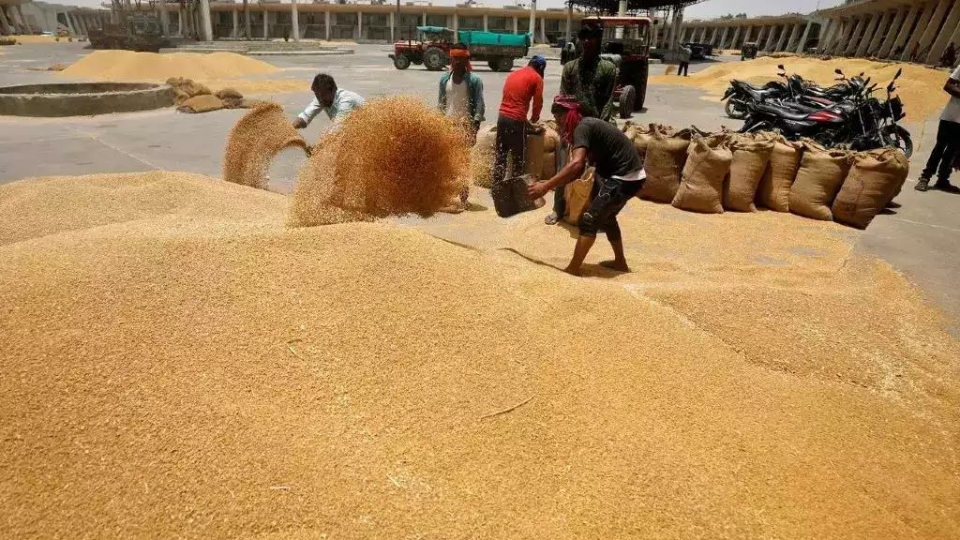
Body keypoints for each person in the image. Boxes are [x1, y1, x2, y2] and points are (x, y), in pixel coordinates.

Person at [527, 95, 645, 277]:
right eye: (556, 118)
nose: (559, 123)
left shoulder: (582, 127)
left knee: (589, 219)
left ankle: (573, 269)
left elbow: (576, 164)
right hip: (622, 174)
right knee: (607, 217)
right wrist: (549, 184)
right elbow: (576, 170)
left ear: (571, 113)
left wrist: (545, 186)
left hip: (625, 177)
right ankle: (620, 262)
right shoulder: (586, 125)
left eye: (560, 117)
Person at [546, 21, 617, 225]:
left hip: (596, 126)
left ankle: (594, 213)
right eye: (584, 37)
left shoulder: (608, 69)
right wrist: (565, 126)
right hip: (572, 126)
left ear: (598, 40)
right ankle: (558, 209)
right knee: (563, 166)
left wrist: (600, 133)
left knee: (599, 174)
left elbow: (607, 103)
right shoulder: (570, 68)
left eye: (592, 37)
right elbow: (563, 100)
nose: (587, 41)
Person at [492, 56, 546, 188]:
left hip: (502, 117)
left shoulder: (514, 73)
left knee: (501, 154)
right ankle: (515, 190)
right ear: (541, 68)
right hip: (516, 121)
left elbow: (511, 100)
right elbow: (538, 102)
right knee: (518, 157)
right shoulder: (536, 77)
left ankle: (496, 186)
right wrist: (534, 118)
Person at [916, 64, 960, 193]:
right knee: (939, 148)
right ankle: (925, 178)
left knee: (953, 151)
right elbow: (948, 85)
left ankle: (942, 180)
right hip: (950, 116)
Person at [437, 45, 485, 144]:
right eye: (455, 58)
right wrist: (438, 122)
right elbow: (441, 103)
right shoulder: (444, 79)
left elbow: (479, 103)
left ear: (466, 60)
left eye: (461, 58)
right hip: (448, 126)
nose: (457, 61)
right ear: (451, 60)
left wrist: (475, 124)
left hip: (465, 127)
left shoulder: (474, 80)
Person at [292, 73, 365, 129]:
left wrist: (318, 147)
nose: (320, 99)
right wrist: (290, 130)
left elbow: (337, 129)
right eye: (317, 95)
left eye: (323, 94)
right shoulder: (320, 98)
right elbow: (305, 117)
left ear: (333, 90)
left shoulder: (345, 101)